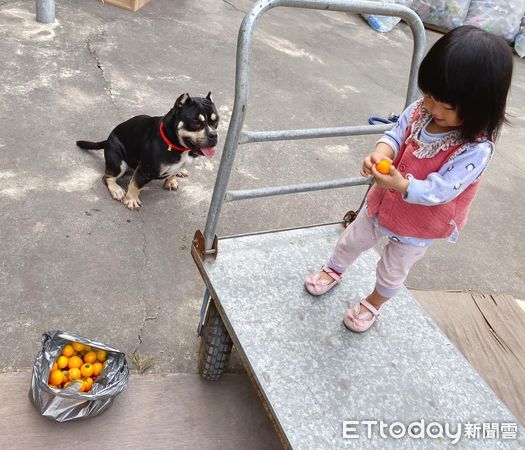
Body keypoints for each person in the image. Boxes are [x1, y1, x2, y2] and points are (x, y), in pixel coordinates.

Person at [304, 25, 514, 333]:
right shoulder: (421, 111)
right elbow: (396, 133)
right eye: (429, 95)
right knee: (351, 240)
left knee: (392, 270)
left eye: (447, 106)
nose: (433, 108)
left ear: (482, 105)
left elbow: (442, 191)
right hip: (381, 204)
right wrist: (379, 152)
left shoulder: (475, 149)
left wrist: (402, 186)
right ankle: (334, 269)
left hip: (419, 225)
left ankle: (373, 303)